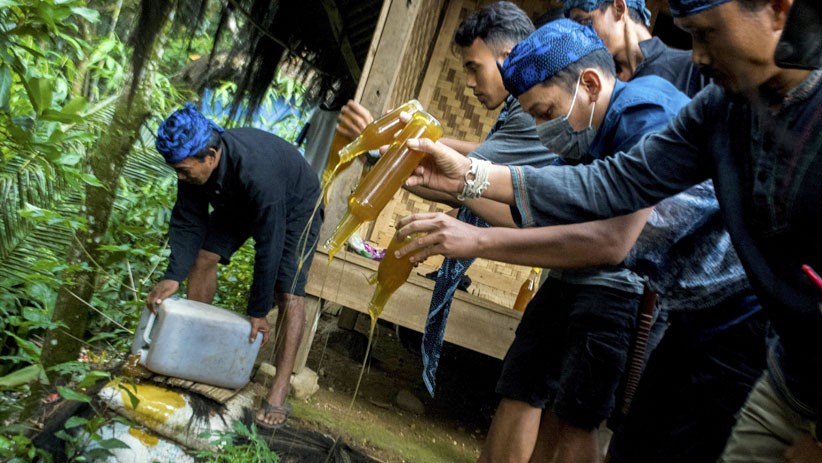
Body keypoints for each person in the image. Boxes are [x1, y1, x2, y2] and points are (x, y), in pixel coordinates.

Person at [396, 0, 822, 461]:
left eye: (706, 34)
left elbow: (611, 239)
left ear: (779, 11)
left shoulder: (646, 109)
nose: (696, 56)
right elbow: (602, 189)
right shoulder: (717, 109)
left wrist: (476, 233)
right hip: (730, 332)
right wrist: (465, 182)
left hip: (742, 322)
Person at [335, 1, 557, 397]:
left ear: (508, 58)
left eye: (474, 67)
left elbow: (466, 167)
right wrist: (389, 145)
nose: (469, 82)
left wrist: (379, 145)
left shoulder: (531, 110)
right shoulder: (518, 106)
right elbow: (465, 165)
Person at [146, 103, 323, 430]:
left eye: (185, 171)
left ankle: (280, 387)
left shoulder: (258, 171)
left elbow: (269, 244)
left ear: (210, 156)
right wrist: (174, 275)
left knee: (288, 291)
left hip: (296, 204)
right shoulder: (196, 166)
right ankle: (192, 353)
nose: (180, 177)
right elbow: (188, 221)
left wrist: (257, 309)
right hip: (239, 199)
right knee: (203, 258)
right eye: (177, 171)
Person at [565, 0, 708, 96]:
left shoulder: (691, 69)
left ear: (619, 8)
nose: (581, 36)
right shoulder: (602, 87)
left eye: (584, 22)